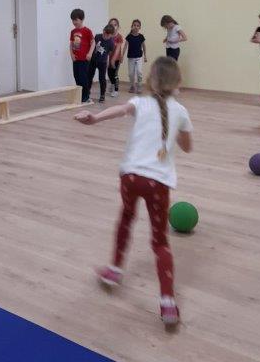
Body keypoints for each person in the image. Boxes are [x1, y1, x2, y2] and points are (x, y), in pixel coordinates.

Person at [75, 57, 193, 326]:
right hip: (157, 183)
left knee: (127, 217)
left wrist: (94, 118)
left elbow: (119, 110)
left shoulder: (140, 102)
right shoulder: (181, 111)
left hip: (129, 177)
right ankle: (167, 302)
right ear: (178, 82)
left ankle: (114, 270)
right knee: (160, 241)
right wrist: (176, 131)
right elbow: (188, 147)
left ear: (150, 80)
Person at [70, 8, 94, 104]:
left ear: (82, 19)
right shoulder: (73, 32)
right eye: (73, 20)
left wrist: (90, 53)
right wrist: (72, 54)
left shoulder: (87, 31)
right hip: (76, 59)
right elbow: (71, 44)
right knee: (76, 77)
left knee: (83, 78)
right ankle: (80, 96)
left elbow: (93, 43)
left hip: (84, 59)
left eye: (76, 20)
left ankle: (86, 97)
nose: (74, 22)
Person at [88, 24, 115, 102]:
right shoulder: (97, 37)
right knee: (89, 76)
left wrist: (107, 62)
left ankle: (102, 95)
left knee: (102, 79)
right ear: (103, 31)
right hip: (93, 60)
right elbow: (92, 46)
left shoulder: (111, 43)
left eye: (108, 35)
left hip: (102, 63)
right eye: (104, 33)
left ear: (111, 35)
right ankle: (87, 92)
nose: (105, 36)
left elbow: (109, 53)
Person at [122, 19, 147, 93]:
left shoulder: (141, 36)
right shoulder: (129, 36)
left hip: (139, 57)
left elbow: (144, 46)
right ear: (132, 26)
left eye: (138, 26)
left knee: (139, 72)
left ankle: (139, 86)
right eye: (134, 25)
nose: (136, 27)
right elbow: (125, 46)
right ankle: (132, 86)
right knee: (131, 74)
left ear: (140, 27)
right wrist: (122, 56)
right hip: (131, 58)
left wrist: (145, 56)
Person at [107, 18, 125, 97]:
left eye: (115, 25)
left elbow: (118, 49)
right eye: (111, 25)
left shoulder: (119, 37)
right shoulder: (108, 36)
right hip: (109, 58)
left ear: (118, 26)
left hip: (116, 59)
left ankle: (116, 90)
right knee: (109, 73)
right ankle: (112, 84)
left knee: (115, 74)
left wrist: (115, 59)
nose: (113, 26)